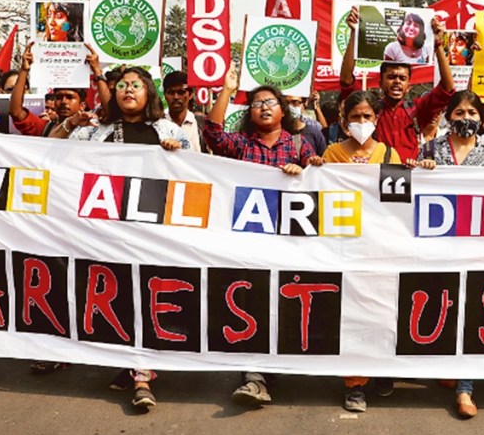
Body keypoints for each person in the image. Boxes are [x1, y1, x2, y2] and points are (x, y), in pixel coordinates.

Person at [55, 67, 188, 409]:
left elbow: (200, 174)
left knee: (146, 294)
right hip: (107, 230)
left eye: (136, 85)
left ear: (149, 93)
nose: (128, 90)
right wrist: (71, 124)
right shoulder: (96, 132)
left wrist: (179, 156)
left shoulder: (169, 130)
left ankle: (142, 375)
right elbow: (49, 153)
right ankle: (130, 362)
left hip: (153, 230)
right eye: (123, 86)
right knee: (118, 296)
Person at [205, 62, 319, 408]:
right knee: (252, 303)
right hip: (250, 242)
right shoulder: (240, 145)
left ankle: (275, 367)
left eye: (271, 102)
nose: (264, 107)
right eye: (257, 103)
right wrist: (227, 90)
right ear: (249, 113)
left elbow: (320, 173)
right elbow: (212, 135)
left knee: (283, 302)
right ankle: (253, 377)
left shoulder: (299, 145)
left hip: (290, 244)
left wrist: (304, 171)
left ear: (283, 111)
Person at [416, 89, 484, 418]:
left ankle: (466, 388)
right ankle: (449, 365)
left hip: (480, 243)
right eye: (460, 113)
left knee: (474, 310)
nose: (467, 119)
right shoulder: (431, 148)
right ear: (449, 117)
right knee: (446, 306)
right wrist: (423, 169)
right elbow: (415, 184)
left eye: (472, 114)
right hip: (440, 244)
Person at [315, 90, 401, 412]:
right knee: (352, 316)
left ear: (376, 120)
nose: (362, 122)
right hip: (345, 246)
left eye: (367, 117)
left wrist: (423, 170)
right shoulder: (332, 155)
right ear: (344, 120)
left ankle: (381, 371)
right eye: (355, 117)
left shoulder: (389, 154)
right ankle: (354, 384)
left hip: (379, 247)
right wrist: (312, 170)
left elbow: (399, 203)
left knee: (381, 313)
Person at [340, 7, 454, 162]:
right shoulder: (370, 109)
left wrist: (438, 44)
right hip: (374, 177)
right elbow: (347, 81)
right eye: (392, 77)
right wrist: (355, 33)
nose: (397, 82)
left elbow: (448, 89)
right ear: (380, 82)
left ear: (409, 85)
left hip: (408, 178)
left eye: (402, 78)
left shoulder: (417, 109)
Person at [9, 42, 93, 137]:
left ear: (82, 105)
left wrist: (97, 72)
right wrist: (24, 70)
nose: (64, 102)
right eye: (59, 97)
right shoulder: (44, 128)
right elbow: (15, 112)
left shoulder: (93, 131)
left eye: (70, 97)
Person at [163, 70, 207, 153]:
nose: (176, 97)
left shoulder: (203, 123)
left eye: (181, 92)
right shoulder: (157, 125)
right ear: (165, 95)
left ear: (190, 95)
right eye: (171, 92)